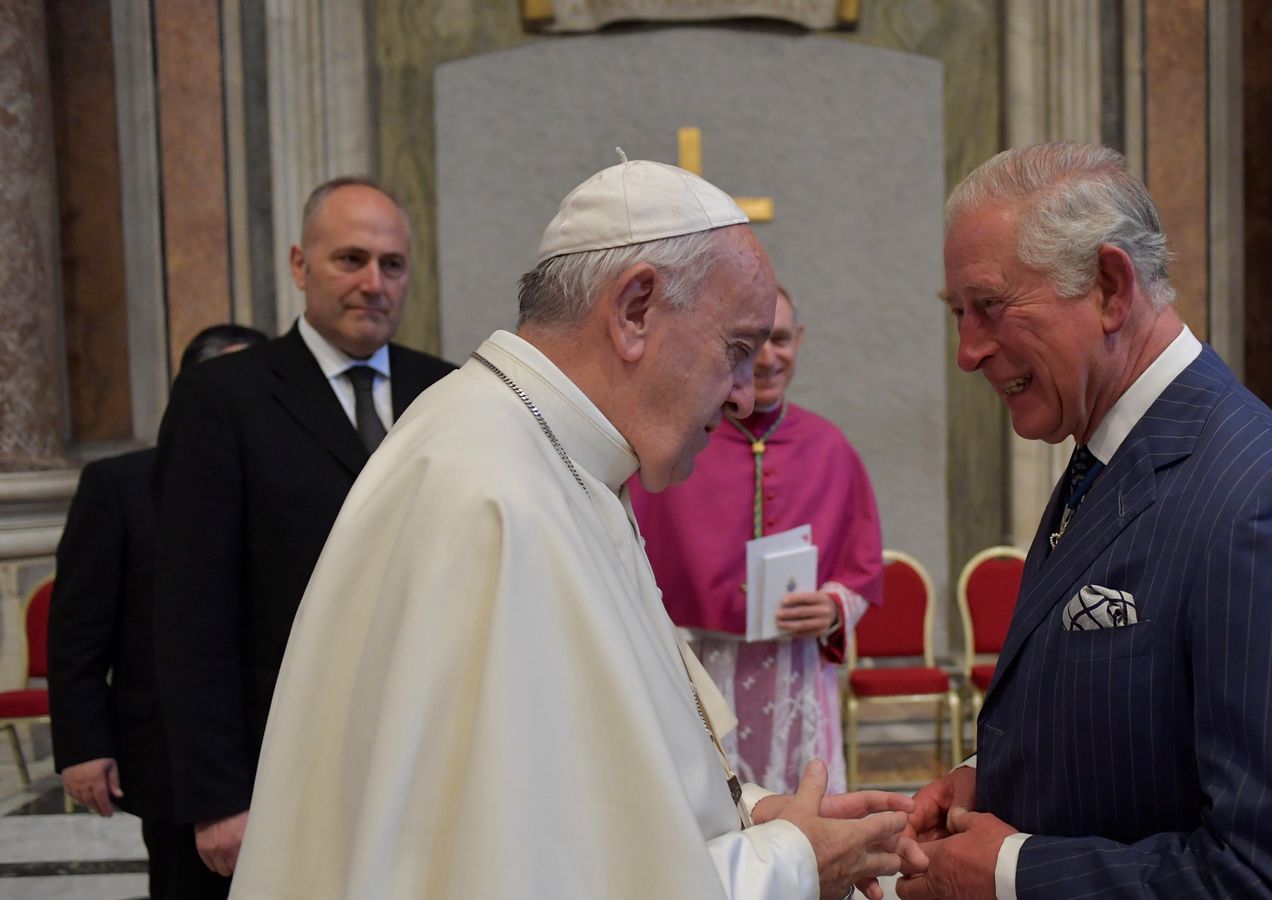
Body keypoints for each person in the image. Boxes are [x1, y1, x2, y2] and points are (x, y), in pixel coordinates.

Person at [227, 158, 911, 900]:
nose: (745, 396)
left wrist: (754, 815)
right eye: (736, 351)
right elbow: (531, 875)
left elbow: (599, 790)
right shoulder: (493, 498)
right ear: (635, 309)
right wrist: (791, 863)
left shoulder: (552, 458)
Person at [897, 142, 1272, 899]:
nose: (967, 352)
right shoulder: (1105, 454)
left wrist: (1010, 871)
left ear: (1108, 287)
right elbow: (1133, 737)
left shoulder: (1269, 504)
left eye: (990, 306)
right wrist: (989, 781)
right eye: (958, 313)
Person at [151, 177, 456, 882]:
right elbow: (188, 613)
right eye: (350, 259)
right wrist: (218, 795)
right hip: (275, 759)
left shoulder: (448, 391)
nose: (373, 283)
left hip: (420, 754)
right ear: (299, 265)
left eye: (392, 265)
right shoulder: (222, 399)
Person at [631, 285, 883, 794]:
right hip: (703, 668)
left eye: (782, 340)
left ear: (801, 340)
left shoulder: (830, 447)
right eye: (754, 344)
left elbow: (861, 567)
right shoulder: (680, 446)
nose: (769, 358)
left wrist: (833, 608)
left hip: (797, 677)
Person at [49, 324, 267, 900]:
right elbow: (77, 629)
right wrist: (82, 745)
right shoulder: (118, 485)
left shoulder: (290, 485)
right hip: (169, 750)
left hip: (276, 739)